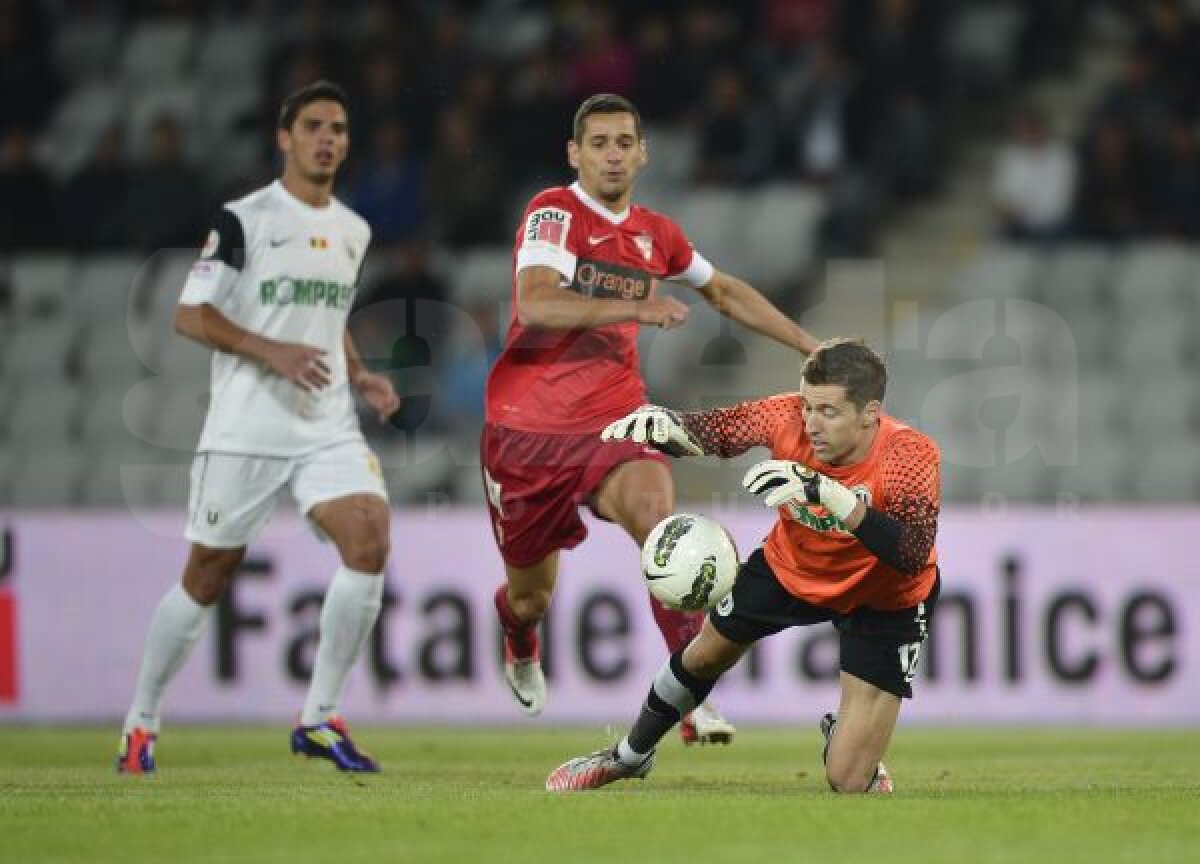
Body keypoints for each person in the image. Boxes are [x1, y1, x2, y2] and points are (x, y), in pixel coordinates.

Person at [483, 93, 818, 744]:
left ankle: (688, 698)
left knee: (664, 531)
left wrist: (806, 344)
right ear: (575, 154)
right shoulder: (553, 212)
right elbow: (538, 301)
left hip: (616, 417)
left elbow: (721, 290)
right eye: (599, 143)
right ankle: (519, 635)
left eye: (623, 142)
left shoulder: (655, 233)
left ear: (643, 152)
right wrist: (632, 309)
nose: (612, 154)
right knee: (530, 596)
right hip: (528, 431)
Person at [116, 81, 400, 775]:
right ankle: (142, 719)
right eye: (313, 126)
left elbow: (325, 322)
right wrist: (272, 351)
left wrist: (358, 373)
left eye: (337, 127)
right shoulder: (244, 220)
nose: (327, 138)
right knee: (207, 576)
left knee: (368, 537)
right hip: (247, 424)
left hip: (326, 421)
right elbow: (191, 314)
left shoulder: (354, 230)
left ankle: (319, 716)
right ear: (285, 137)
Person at [545, 338, 941, 793]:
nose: (810, 423)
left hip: (884, 596)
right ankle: (630, 756)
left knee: (849, 780)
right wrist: (670, 427)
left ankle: (843, 736)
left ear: (870, 413)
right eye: (807, 406)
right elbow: (719, 430)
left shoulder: (909, 454)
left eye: (828, 412)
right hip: (792, 567)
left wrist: (831, 494)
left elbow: (911, 553)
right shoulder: (785, 415)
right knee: (705, 653)